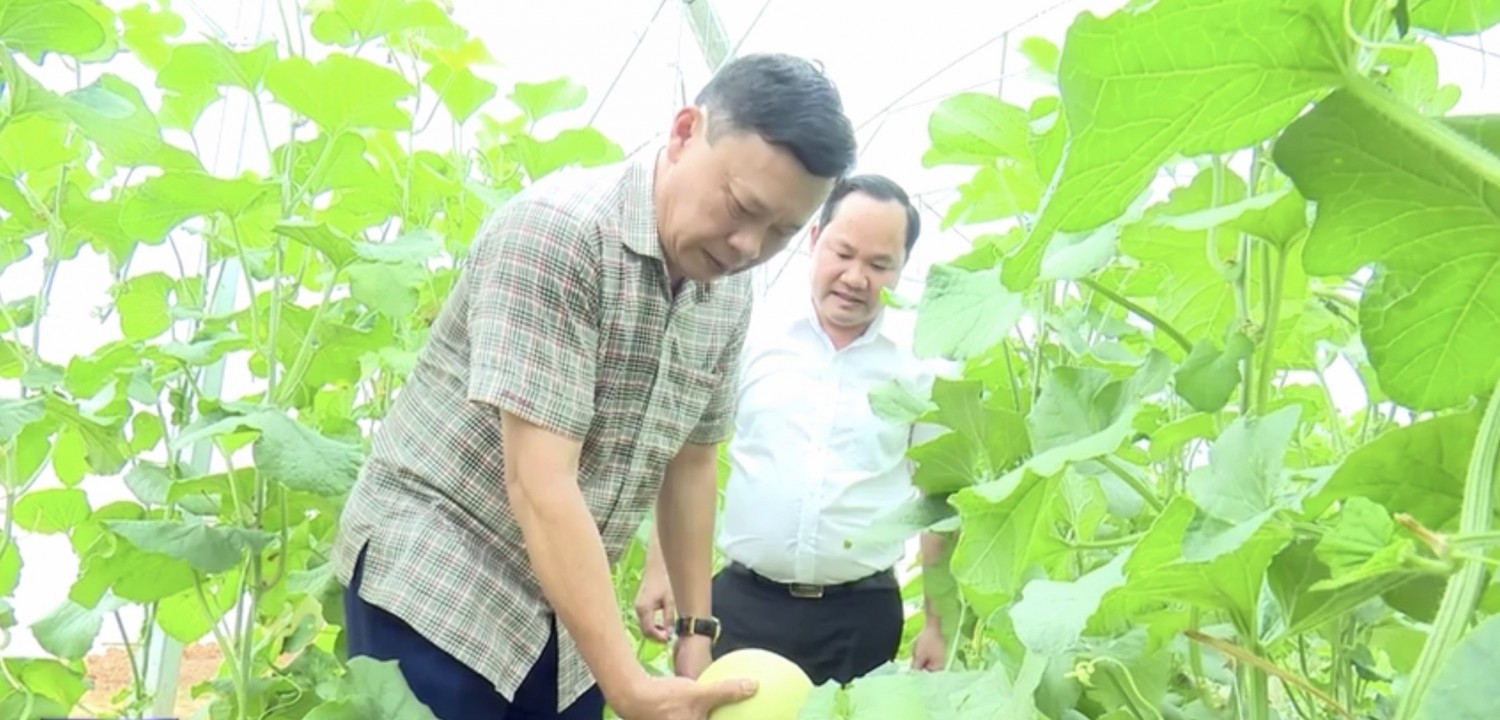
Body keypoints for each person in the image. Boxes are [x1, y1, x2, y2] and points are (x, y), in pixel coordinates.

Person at [329, 53, 858, 720]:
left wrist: (695, 639)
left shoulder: (727, 289)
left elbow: (693, 461)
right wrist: (628, 685)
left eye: (781, 232)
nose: (748, 245)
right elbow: (540, 483)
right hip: (444, 577)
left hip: (567, 602)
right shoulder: (557, 234)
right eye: (741, 207)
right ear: (685, 130)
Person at [633, 173, 950, 689]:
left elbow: (937, 501)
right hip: (744, 604)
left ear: (902, 268)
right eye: (843, 253)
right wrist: (660, 571)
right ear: (813, 240)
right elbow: (691, 457)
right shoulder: (753, 335)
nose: (855, 278)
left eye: (878, 265)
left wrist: (937, 621)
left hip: (861, 614)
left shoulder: (921, 365)